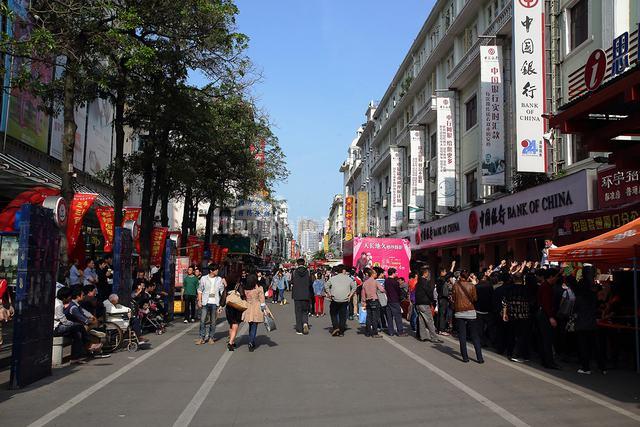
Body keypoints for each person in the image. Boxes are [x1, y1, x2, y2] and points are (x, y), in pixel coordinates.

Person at [54, 287, 99, 362]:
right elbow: (64, 321)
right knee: (78, 326)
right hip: (57, 327)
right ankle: (89, 344)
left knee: (77, 334)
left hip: (59, 325)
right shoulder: (59, 305)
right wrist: (73, 324)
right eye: (69, 297)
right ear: (64, 297)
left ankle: (75, 357)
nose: (70, 299)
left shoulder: (57, 302)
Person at [451, 272, 484, 363]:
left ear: (460, 277)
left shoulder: (455, 286)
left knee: (462, 336)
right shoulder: (471, 286)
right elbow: (475, 299)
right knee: (475, 335)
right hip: (471, 312)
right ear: (468, 277)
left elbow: (453, 298)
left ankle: (465, 357)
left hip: (459, 312)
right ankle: (479, 358)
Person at [196, 264, 226, 345]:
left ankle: (211, 337)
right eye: (216, 270)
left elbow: (222, 291)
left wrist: (221, 305)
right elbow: (200, 290)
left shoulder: (219, 279)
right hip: (205, 302)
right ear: (211, 271)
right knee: (202, 321)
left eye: (217, 270)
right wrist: (199, 300)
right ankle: (201, 337)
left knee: (213, 322)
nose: (217, 271)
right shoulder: (204, 278)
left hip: (215, 303)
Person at [242, 268, 270, 352]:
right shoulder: (259, 288)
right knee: (254, 325)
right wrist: (265, 310)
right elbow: (262, 301)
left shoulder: (246, 288)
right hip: (256, 307)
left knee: (250, 324)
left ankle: (251, 339)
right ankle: (251, 341)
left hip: (248, 307)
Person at [537, 268, 560, 369]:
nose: (557, 278)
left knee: (545, 339)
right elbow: (546, 303)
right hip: (545, 315)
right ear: (551, 276)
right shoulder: (546, 287)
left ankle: (545, 361)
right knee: (547, 339)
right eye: (556, 276)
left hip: (544, 314)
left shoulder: (546, 286)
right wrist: (551, 317)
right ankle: (549, 362)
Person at [324, 265, 356, 336]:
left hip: (334, 299)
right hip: (344, 299)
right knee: (343, 315)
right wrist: (350, 295)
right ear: (343, 270)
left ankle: (335, 327)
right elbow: (354, 287)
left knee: (333, 313)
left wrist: (329, 294)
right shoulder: (349, 279)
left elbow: (326, 286)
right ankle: (341, 331)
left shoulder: (333, 278)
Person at [415, 267, 442, 343]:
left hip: (419, 303)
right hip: (424, 303)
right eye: (428, 273)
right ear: (425, 273)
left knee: (422, 320)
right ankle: (434, 337)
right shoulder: (425, 282)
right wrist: (432, 301)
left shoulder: (418, 282)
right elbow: (429, 293)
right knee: (429, 320)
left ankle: (423, 336)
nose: (429, 274)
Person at [291, 258, 312, 335]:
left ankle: (299, 330)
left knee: (298, 312)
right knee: (305, 311)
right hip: (306, 294)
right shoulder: (308, 271)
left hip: (297, 295)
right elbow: (310, 283)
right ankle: (305, 323)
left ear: (297, 263)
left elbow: (292, 282)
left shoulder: (294, 272)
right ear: (304, 263)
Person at [361, 268, 384, 338]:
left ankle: (368, 332)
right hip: (374, 300)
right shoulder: (375, 282)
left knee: (369, 316)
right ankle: (375, 333)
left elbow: (363, 293)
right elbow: (382, 289)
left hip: (368, 301)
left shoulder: (365, 282)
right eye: (375, 273)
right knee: (375, 317)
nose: (376, 274)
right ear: (372, 274)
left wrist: (363, 302)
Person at [384, 268, 407, 337]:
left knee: (389, 317)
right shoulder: (395, 282)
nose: (396, 274)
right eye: (395, 273)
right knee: (398, 316)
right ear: (393, 273)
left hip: (388, 300)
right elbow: (398, 291)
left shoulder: (386, 281)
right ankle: (400, 331)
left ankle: (390, 331)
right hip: (395, 301)